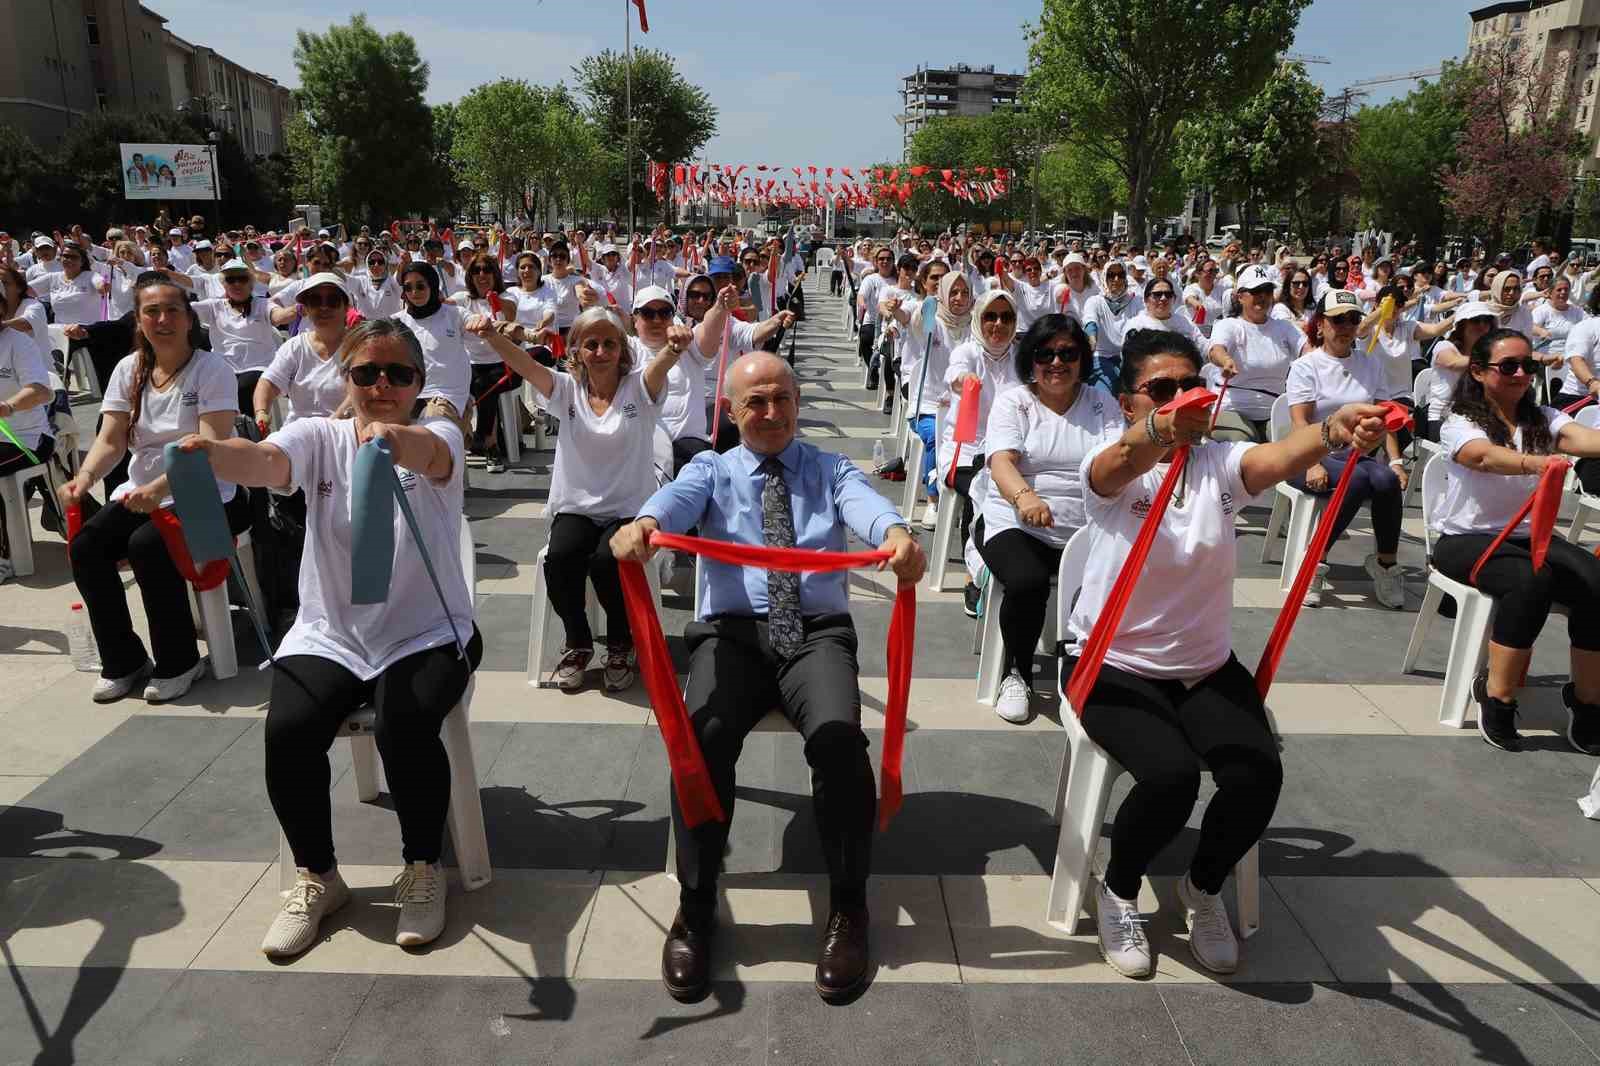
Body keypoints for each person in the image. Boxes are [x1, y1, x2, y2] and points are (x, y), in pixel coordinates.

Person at [1069, 328, 1391, 979]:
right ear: (1129, 402)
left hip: (1206, 667)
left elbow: (1277, 456)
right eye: (1162, 391)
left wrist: (1333, 430)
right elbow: (1119, 464)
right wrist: (1159, 429)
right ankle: (1120, 889)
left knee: (1256, 773)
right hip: (1114, 667)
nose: (1183, 401)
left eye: (1192, 387)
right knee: (1171, 777)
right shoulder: (1109, 463)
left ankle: (1202, 886)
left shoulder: (1221, 465)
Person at [610, 352, 926, 1005]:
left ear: (798, 402)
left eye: (782, 398)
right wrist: (645, 524)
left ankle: (848, 907)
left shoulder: (829, 467)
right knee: (702, 742)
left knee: (840, 742)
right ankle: (696, 907)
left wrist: (896, 535)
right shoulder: (712, 468)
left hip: (815, 636)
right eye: (755, 401)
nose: (772, 412)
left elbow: (868, 507)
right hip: (732, 634)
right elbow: (674, 502)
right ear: (729, 410)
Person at [175, 318, 485, 956]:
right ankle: (319, 877)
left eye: (398, 373)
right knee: (286, 731)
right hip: (332, 631)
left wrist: (393, 442)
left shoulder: (437, 431)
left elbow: (431, 452)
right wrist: (211, 454)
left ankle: (424, 867)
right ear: (345, 379)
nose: (381, 383)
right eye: (366, 371)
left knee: (404, 724)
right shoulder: (318, 433)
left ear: (418, 384)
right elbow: (266, 461)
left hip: (427, 630)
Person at [58, 274, 250, 704]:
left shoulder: (211, 369)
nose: (162, 319)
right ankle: (124, 660)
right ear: (139, 320)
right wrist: (86, 476)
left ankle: (179, 661)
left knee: (149, 545)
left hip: (208, 494)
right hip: (143, 492)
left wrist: (162, 485)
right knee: (87, 546)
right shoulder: (130, 369)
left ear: (188, 319)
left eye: (172, 310)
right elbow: (111, 439)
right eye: (151, 311)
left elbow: (208, 447)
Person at [1430, 328, 1600, 756]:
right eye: (1508, 366)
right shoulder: (1461, 421)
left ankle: (1586, 701)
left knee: (1596, 581)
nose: (1521, 373)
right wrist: (1535, 462)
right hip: (1465, 540)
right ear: (1479, 371)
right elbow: (1482, 456)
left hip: (1531, 536)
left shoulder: (1545, 418)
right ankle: (1498, 694)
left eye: (1527, 365)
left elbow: (1585, 440)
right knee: (1530, 582)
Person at [525, 305, 689, 691]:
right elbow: (525, 367)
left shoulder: (639, 387)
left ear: (623, 349)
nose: (600, 352)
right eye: (591, 344)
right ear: (577, 351)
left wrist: (675, 348)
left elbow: (660, 366)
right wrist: (492, 337)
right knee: (560, 557)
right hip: (576, 507)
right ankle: (578, 641)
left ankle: (619, 642)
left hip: (630, 509)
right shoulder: (565, 390)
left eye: (609, 344)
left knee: (607, 560)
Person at [978, 316, 1120, 722]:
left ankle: (1097, 670)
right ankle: (1016, 672)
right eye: (1045, 354)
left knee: (1127, 574)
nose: (1056, 363)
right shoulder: (1014, 401)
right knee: (1028, 581)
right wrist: (1025, 497)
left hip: (1086, 525)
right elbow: (1002, 462)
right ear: (1031, 359)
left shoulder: (1100, 403)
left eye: (1068, 354)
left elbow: (1112, 461)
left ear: (1082, 358)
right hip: (1016, 521)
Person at [1286, 290, 1408, 609]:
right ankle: (1314, 561)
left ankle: (1385, 564)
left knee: (1386, 482)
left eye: (1353, 319)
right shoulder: (1306, 366)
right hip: (1308, 454)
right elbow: (1299, 422)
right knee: (1355, 480)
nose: (1346, 326)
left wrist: (1395, 461)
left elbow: (1384, 417)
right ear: (1321, 325)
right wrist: (1314, 462)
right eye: (1337, 319)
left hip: (1356, 454)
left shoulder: (1370, 363)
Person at [941, 288, 1025, 614]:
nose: (998, 324)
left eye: (1006, 317)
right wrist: (964, 380)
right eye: (991, 316)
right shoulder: (968, 352)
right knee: (980, 493)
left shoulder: (1022, 357)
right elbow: (954, 372)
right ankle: (973, 575)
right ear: (979, 318)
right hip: (966, 449)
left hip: (1009, 450)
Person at [899, 271, 973, 528]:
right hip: (929, 406)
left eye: (964, 292)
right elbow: (918, 321)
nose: (959, 298)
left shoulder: (975, 325)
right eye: (953, 292)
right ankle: (933, 500)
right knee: (936, 438)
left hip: (965, 407)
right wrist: (927, 307)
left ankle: (966, 501)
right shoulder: (932, 322)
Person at [1206, 265, 1308, 443]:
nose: (1262, 296)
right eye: (1255, 291)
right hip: (1231, 407)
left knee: (1292, 444)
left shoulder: (1284, 327)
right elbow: (1216, 350)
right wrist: (1226, 361)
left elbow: (1308, 350)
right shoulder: (1228, 325)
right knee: (1244, 440)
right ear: (1240, 297)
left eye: (1267, 291)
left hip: (1274, 409)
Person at [448, 253, 520, 473]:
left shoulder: (508, 295)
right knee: (478, 381)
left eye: (487, 270)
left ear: (495, 274)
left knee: (486, 382)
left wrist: (493, 300)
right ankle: (490, 443)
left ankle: (485, 441)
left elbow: (510, 313)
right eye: (476, 270)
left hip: (505, 365)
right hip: (471, 366)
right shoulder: (462, 299)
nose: (482, 275)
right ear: (470, 275)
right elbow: (441, 305)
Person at [0, 315, 55, 584]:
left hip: (26, 439)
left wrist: (7, 407)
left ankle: (5, 556)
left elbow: (40, 391)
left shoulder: (19, 344)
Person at [193, 258, 281, 415]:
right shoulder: (215, 306)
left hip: (257, 366)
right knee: (201, 384)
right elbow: (183, 310)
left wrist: (298, 309)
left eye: (242, 279)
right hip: (224, 366)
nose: (237, 284)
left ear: (251, 283)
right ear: (224, 285)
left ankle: (248, 430)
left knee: (242, 386)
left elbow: (279, 316)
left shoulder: (263, 304)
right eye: (231, 280)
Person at [394, 262, 472, 423]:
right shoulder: (397, 322)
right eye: (408, 288)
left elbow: (485, 324)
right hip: (408, 395)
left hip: (447, 396)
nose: (414, 292)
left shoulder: (454, 315)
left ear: (433, 285)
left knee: (433, 424)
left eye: (421, 286)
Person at [1423, 302, 1498, 442]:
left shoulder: (1488, 354)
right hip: (1443, 418)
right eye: (1476, 320)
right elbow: (1453, 363)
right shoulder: (1444, 346)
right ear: (1462, 325)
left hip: (1476, 417)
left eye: (1486, 320)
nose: (1482, 325)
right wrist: (1493, 359)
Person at [1126, 277, 1207, 350]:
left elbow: (1204, 347)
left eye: (1168, 294)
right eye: (1157, 294)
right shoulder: (1135, 326)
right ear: (1146, 300)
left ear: (1174, 299)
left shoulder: (1185, 323)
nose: (1163, 298)